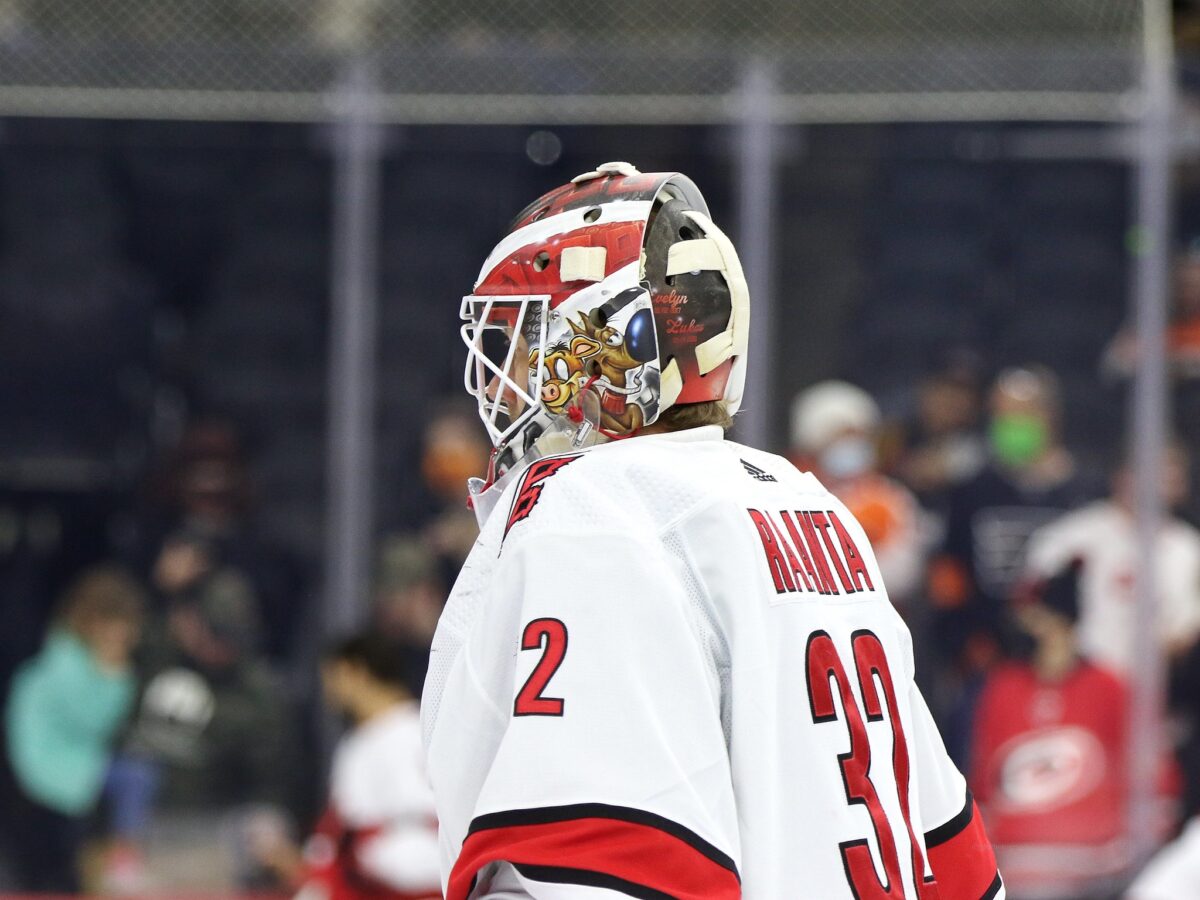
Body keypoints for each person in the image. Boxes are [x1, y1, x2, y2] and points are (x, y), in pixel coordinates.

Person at [422, 162, 1002, 899]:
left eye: (536, 338)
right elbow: (954, 857)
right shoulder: (809, 503)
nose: (518, 374)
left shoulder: (591, 512)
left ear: (615, 342)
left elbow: (606, 861)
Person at [970, 563, 1173, 898]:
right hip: (1014, 875)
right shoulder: (1001, 689)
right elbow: (984, 783)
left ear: (1063, 624)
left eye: (1036, 618)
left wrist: (1124, 856)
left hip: (1097, 878)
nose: (1025, 629)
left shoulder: (1112, 689)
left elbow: (1154, 784)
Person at [253, 634, 440, 899]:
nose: (329, 691)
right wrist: (304, 866)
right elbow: (338, 828)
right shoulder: (356, 744)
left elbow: (424, 831)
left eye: (333, 678)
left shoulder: (417, 731)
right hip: (364, 880)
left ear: (356, 672)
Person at [3, 565, 144, 891]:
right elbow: (95, 723)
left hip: (54, 781)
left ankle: (120, 857)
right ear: (96, 623)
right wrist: (115, 676)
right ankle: (124, 858)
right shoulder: (64, 666)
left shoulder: (64, 658)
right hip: (44, 782)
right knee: (136, 776)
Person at [1022, 444, 1200, 679]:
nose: (1157, 487)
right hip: (1081, 678)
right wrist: (1056, 636)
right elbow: (1026, 600)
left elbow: (1187, 625)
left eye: (1169, 479)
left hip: (1154, 686)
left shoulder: (1187, 547)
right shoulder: (1076, 535)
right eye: (1150, 474)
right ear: (1122, 476)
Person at [790, 380, 926, 608]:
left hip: (872, 615)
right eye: (841, 436)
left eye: (858, 435)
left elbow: (904, 572)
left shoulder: (887, 498)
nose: (851, 444)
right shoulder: (786, 495)